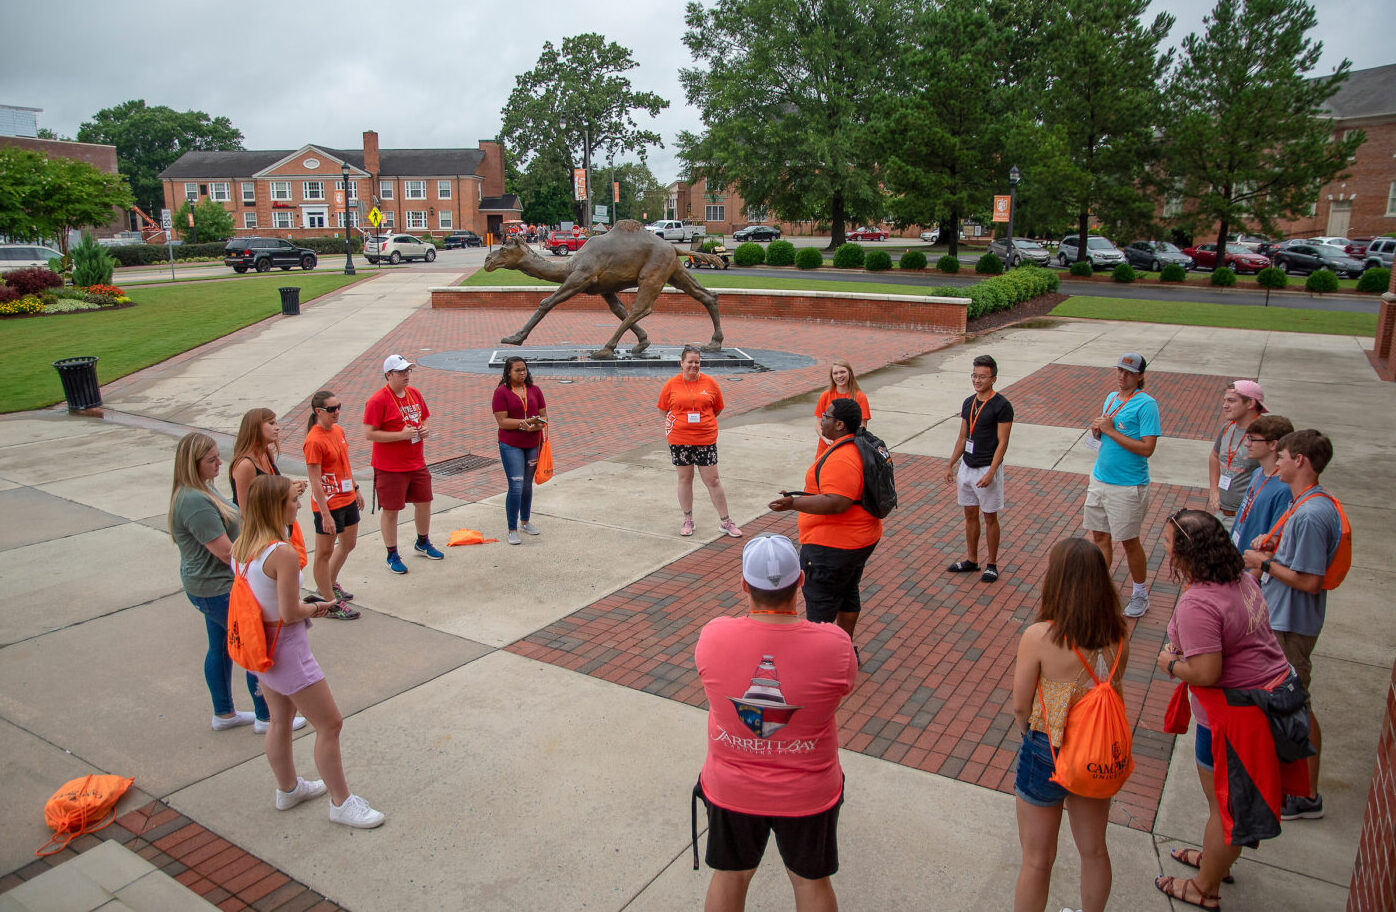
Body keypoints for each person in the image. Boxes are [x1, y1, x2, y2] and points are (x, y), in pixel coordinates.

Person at [694, 534, 856, 912]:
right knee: (811, 882)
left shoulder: (713, 636)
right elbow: (842, 690)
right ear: (801, 581)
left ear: (743, 585)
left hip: (731, 788)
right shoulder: (834, 645)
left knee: (730, 875)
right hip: (809, 791)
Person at [1155, 509, 1295, 910]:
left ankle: (1205, 887)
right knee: (1228, 804)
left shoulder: (1199, 603)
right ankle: (1215, 862)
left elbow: (1205, 671)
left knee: (1224, 809)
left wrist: (1169, 664)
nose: (1163, 547)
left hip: (1232, 721)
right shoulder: (1240, 580)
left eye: (1167, 542)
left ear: (1187, 554)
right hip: (1261, 705)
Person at [233, 475, 385, 829]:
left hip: (262, 648)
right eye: (291, 500)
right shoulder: (281, 553)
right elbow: (289, 613)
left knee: (280, 719)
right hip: (287, 647)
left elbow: (266, 600)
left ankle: (288, 789)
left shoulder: (242, 546)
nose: (298, 505)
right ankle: (341, 802)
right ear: (275, 507)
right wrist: (319, 607)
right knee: (330, 724)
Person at [1011, 538, 1129, 912]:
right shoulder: (1116, 635)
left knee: (1036, 858)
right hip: (1096, 748)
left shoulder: (1040, 637)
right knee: (1094, 850)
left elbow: (1020, 705)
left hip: (1047, 746)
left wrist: (1031, 736)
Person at [1242, 429, 1341, 821]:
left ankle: (1306, 796)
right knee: (1284, 703)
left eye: (1281, 456)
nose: (1276, 462)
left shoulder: (1314, 514)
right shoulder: (1303, 504)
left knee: (1296, 703)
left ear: (1300, 460)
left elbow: (1310, 581)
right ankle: (1291, 784)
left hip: (1293, 625)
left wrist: (1262, 563)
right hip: (1281, 617)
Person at [167, 432, 272, 734]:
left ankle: (224, 713)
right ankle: (267, 716)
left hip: (210, 586)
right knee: (254, 646)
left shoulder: (201, 490)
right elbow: (227, 552)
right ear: (193, 464)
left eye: (217, 456)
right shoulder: (195, 501)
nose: (218, 463)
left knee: (221, 647)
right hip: (217, 588)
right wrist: (264, 563)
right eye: (211, 459)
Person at [768, 398, 881, 641]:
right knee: (848, 593)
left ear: (840, 424)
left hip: (833, 547)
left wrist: (793, 503)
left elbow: (837, 502)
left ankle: (823, 661)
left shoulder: (843, 457)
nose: (822, 419)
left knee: (821, 606)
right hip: (859, 540)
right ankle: (845, 650)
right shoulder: (858, 445)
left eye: (826, 417)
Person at [1083, 352, 1161, 618]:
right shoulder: (1111, 398)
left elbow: (1147, 448)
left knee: (1129, 541)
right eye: (1119, 370)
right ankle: (1102, 589)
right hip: (1100, 478)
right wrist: (1099, 431)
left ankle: (1140, 593)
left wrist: (1111, 431)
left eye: (1128, 372)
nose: (1122, 376)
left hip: (1128, 486)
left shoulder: (1146, 405)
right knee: (1100, 536)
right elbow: (1107, 433)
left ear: (1140, 376)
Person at [363, 354, 444, 574]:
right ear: (388, 375)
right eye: (401, 372)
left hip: (416, 461)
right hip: (390, 466)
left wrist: (424, 428)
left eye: (408, 371)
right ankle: (392, 554)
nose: (406, 375)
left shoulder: (414, 393)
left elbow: (424, 416)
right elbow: (369, 433)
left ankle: (423, 541)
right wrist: (399, 435)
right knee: (391, 510)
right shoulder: (378, 400)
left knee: (424, 501)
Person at [657, 345, 742, 538]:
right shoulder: (671, 385)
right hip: (680, 440)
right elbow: (663, 409)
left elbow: (717, 408)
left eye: (697, 362)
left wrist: (702, 421)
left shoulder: (710, 383)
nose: (694, 365)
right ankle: (688, 519)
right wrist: (679, 423)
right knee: (685, 479)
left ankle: (725, 521)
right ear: (681, 363)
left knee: (713, 480)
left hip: (705, 439)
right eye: (690, 362)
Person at [945, 354, 1014, 583]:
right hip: (967, 465)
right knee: (969, 514)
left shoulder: (1002, 406)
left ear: (993, 378)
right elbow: (963, 436)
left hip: (987, 467)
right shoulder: (968, 402)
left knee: (990, 516)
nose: (977, 380)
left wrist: (991, 472)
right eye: (974, 375)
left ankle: (992, 564)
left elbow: (1003, 442)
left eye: (982, 376)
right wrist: (951, 464)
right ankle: (972, 560)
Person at [303, 390, 362, 620]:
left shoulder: (338, 431)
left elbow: (345, 464)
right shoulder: (314, 441)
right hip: (328, 504)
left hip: (347, 498)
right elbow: (315, 481)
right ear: (319, 412)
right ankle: (328, 603)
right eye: (332, 409)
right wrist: (325, 515)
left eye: (339, 406)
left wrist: (355, 489)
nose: (337, 412)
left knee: (348, 544)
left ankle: (329, 584)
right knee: (324, 552)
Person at [492, 356, 549, 545]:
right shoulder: (501, 392)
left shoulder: (535, 390)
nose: (522, 373)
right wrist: (524, 423)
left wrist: (537, 425)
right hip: (511, 445)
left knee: (527, 485)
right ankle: (511, 528)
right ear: (508, 372)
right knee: (516, 485)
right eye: (517, 370)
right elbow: (502, 421)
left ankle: (525, 521)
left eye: (524, 369)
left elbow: (543, 415)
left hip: (533, 442)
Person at [1228, 414, 1295, 554]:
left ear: (1273, 444)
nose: (1247, 444)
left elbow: (1274, 542)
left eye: (1252, 439)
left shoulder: (1285, 489)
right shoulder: (1257, 473)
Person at [1206, 381, 1266, 529]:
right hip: (1222, 513)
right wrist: (1214, 489)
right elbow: (1214, 456)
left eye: (1231, 401)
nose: (1224, 405)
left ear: (1250, 403)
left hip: (1247, 519)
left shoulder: (1266, 434)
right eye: (1225, 400)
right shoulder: (1227, 428)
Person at [229, 407, 306, 509]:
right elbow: (247, 509)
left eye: (276, 423)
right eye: (271, 423)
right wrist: (287, 493)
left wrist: (290, 485)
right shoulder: (245, 465)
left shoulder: (266, 453)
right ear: (255, 428)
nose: (277, 428)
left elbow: (270, 486)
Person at [814, 358, 870, 457]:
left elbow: (862, 426)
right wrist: (826, 439)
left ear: (850, 373)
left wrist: (844, 442)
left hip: (848, 447)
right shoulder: (825, 396)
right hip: (825, 447)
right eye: (835, 373)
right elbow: (819, 423)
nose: (839, 376)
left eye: (842, 372)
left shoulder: (860, 397)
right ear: (832, 376)